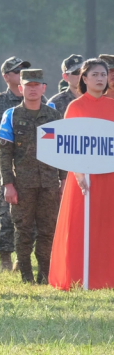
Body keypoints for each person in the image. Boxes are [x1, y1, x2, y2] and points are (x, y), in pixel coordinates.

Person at [50, 58, 114, 289]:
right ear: (84, 79)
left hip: (109, 177)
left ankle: (106, 277)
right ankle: (78, 275)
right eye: (94, 75)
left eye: (103, 75)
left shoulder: (112, 106)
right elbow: (67, 145)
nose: (100, 78)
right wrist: (77, 174)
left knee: (107, 225)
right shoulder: (75, 107)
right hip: (82, 178)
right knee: (80, 225)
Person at [0, 69, 64, 284]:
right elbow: (3, 153)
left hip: (50, 183)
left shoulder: (53, 115)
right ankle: (26, 275)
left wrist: (64, 180)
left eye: (37, 85)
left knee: (48, 230)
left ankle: (45, 275)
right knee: (23, 230)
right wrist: (7, 184)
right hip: (22, 184)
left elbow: (62, 151)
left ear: (44, 88)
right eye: (29, 85)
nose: (33, 89)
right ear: (20, 88)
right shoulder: (12, 115)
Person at [0, 56, 27, 271]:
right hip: (7, 167)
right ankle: (5, 258)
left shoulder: (41, 100)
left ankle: (23, 257)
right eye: (17, 71)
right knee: (6, 213)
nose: (21, 74)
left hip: (33, 168)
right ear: (6, 76)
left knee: (31, 215)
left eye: (24, 70)